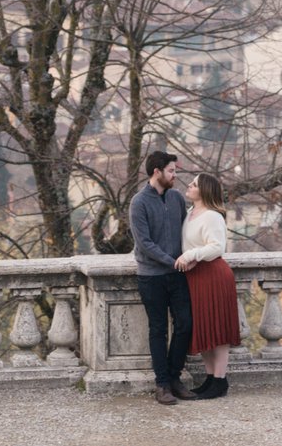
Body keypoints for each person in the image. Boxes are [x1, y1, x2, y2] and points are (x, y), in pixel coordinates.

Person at [130, 149, 194, 404]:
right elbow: (144, 243)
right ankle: (162, 385)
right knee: (158, 330)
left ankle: (175, 378)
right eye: (171, 171)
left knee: (185, 324)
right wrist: (173, 261)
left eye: (175, 171)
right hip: (151, 276)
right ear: (157, 172)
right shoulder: (139, 202)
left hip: (178, 275)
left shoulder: (177, 198)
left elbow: (187, 230)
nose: (174, 175)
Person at [177, 172, 239, 399]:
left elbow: (217, 247)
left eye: (194, 184)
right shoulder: (190, 213)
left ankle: (220, 381)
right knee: (204, 328)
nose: (190, 186)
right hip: (196, 278)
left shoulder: (213, 216)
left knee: (218, 330)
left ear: (203, 191)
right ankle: (210, 379)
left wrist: (192, 255)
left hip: (214, 275)